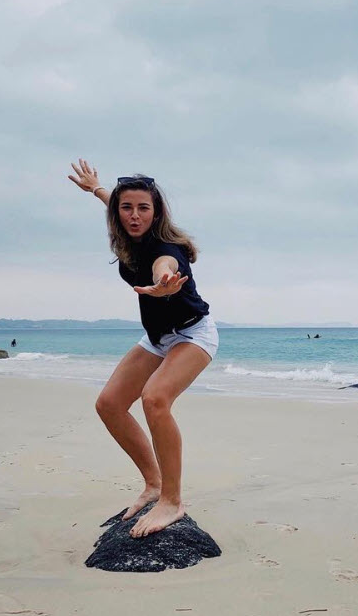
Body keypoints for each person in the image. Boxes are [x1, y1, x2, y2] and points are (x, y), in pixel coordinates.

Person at [68, 159, 218, 538]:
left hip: (193, 334)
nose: (134, 216)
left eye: (143, 208)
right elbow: (113, 202)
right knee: (109, 404)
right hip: (157, 338)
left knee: (155, 399)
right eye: (127, 208)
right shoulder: (127, 227)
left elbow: (163, 265)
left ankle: (172, 500)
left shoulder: (166, 249)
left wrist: (164, 281)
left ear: (157, 212)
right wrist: (96, 188)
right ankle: (153, 484)